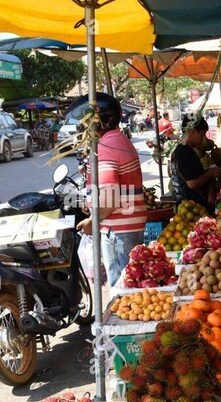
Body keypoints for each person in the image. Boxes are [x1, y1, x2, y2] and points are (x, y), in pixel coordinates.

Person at [72, 93, 147, 287]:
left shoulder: (104, 147)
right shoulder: (120, 140)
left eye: (87, 121)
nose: (84, 127)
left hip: (118, 231)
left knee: (121, 288)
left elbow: (109, 200)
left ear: (99, 119)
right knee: (131, 283)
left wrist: (92, 221)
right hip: (128, 225)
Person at [170, 115, 221, 213]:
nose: (203, 139)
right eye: (202, 135)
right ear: (192, 131)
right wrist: (211, 173)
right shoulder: (184, 153)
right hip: (191, 209)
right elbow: (192, 183)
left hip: (193, 206)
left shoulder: (185, 150)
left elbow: (195, 175)